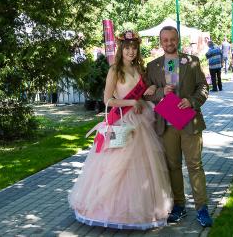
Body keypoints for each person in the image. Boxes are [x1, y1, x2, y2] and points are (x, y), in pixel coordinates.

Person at [69, 30, 173, 230]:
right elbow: (107, 100)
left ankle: (145, 209)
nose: (131, 52)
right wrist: (131, 100)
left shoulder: (140, 69)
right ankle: (111, 210)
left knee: (144, 166)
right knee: (117, 166)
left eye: (134, 48)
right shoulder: (114, 70)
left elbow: (143, 93)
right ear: (121, 50)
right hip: (122, 121)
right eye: (127, 48)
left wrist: (149, 91)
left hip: (142, 119)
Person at [144, 26, 212, 227]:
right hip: (166, 124)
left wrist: (192, 101)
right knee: (173, 166)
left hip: (189, 122)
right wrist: (161, 93)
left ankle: (202, 208)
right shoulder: (153, 66)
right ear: (160, 42)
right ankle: (179, 206)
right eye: (165, 40)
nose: (169, 43)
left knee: (195, 165)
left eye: (172, 39)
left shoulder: (192, 61)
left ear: (178, 40)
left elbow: (203, 87)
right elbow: (147, 93)